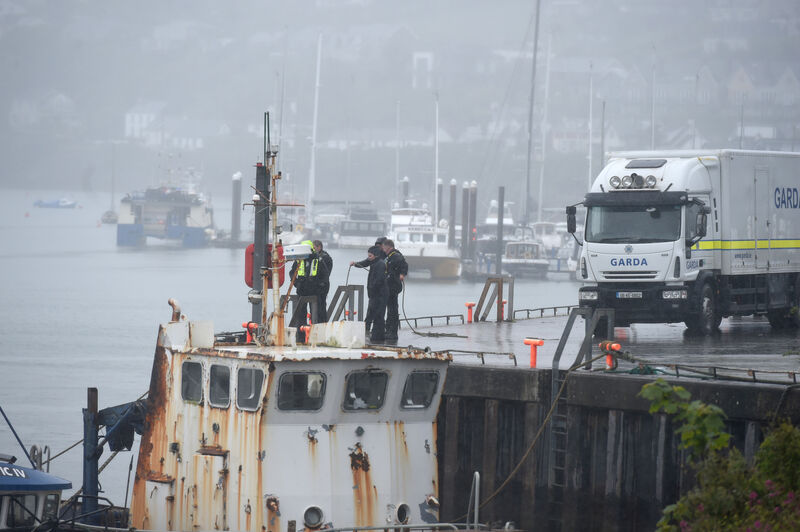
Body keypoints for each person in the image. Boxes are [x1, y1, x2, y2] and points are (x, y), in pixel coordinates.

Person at [289, 240, 329, 341]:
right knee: (300, 316)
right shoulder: (299, 260)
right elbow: (292, 273)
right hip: (301, 292)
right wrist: (297, 283)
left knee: (317, 315)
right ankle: (301, 338)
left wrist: (319, 286)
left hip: (314, 293)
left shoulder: (318, 260)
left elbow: (325, 276)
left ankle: (316, 338)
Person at [350, 245, 387, 343]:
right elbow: (365, 262)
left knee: (378, 315)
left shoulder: (380, 265)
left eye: (370, 256)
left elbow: (378, 281)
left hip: (379, 294)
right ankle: (376, 335)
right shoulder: (373, 262)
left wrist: (372, 288)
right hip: (374, 294)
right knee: (373, 313)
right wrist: (355, 264)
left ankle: (377, 337)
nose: (368, 258)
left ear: (375, 256)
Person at [381, 238, 408, 343]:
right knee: (390, 309)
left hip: (393, 286)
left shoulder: (396, 256)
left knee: (393, 310)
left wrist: (402, 274)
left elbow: (404, 265)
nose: (383, 250)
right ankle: (388, 331)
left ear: (389, 247)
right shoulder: (389, 256)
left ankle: (392, 332)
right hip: (388, 285)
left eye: (384, 248)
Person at [313, 240, 332, 322]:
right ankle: (321, 321)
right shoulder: (321, 256)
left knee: (321, 305)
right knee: (319, 305)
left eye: (314, 248)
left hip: (322, 284)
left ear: (319, 247)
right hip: (321, 284)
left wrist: (320, 282)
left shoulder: (324, 257)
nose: (313, 250)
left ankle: (322, 322)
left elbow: (325, 272)